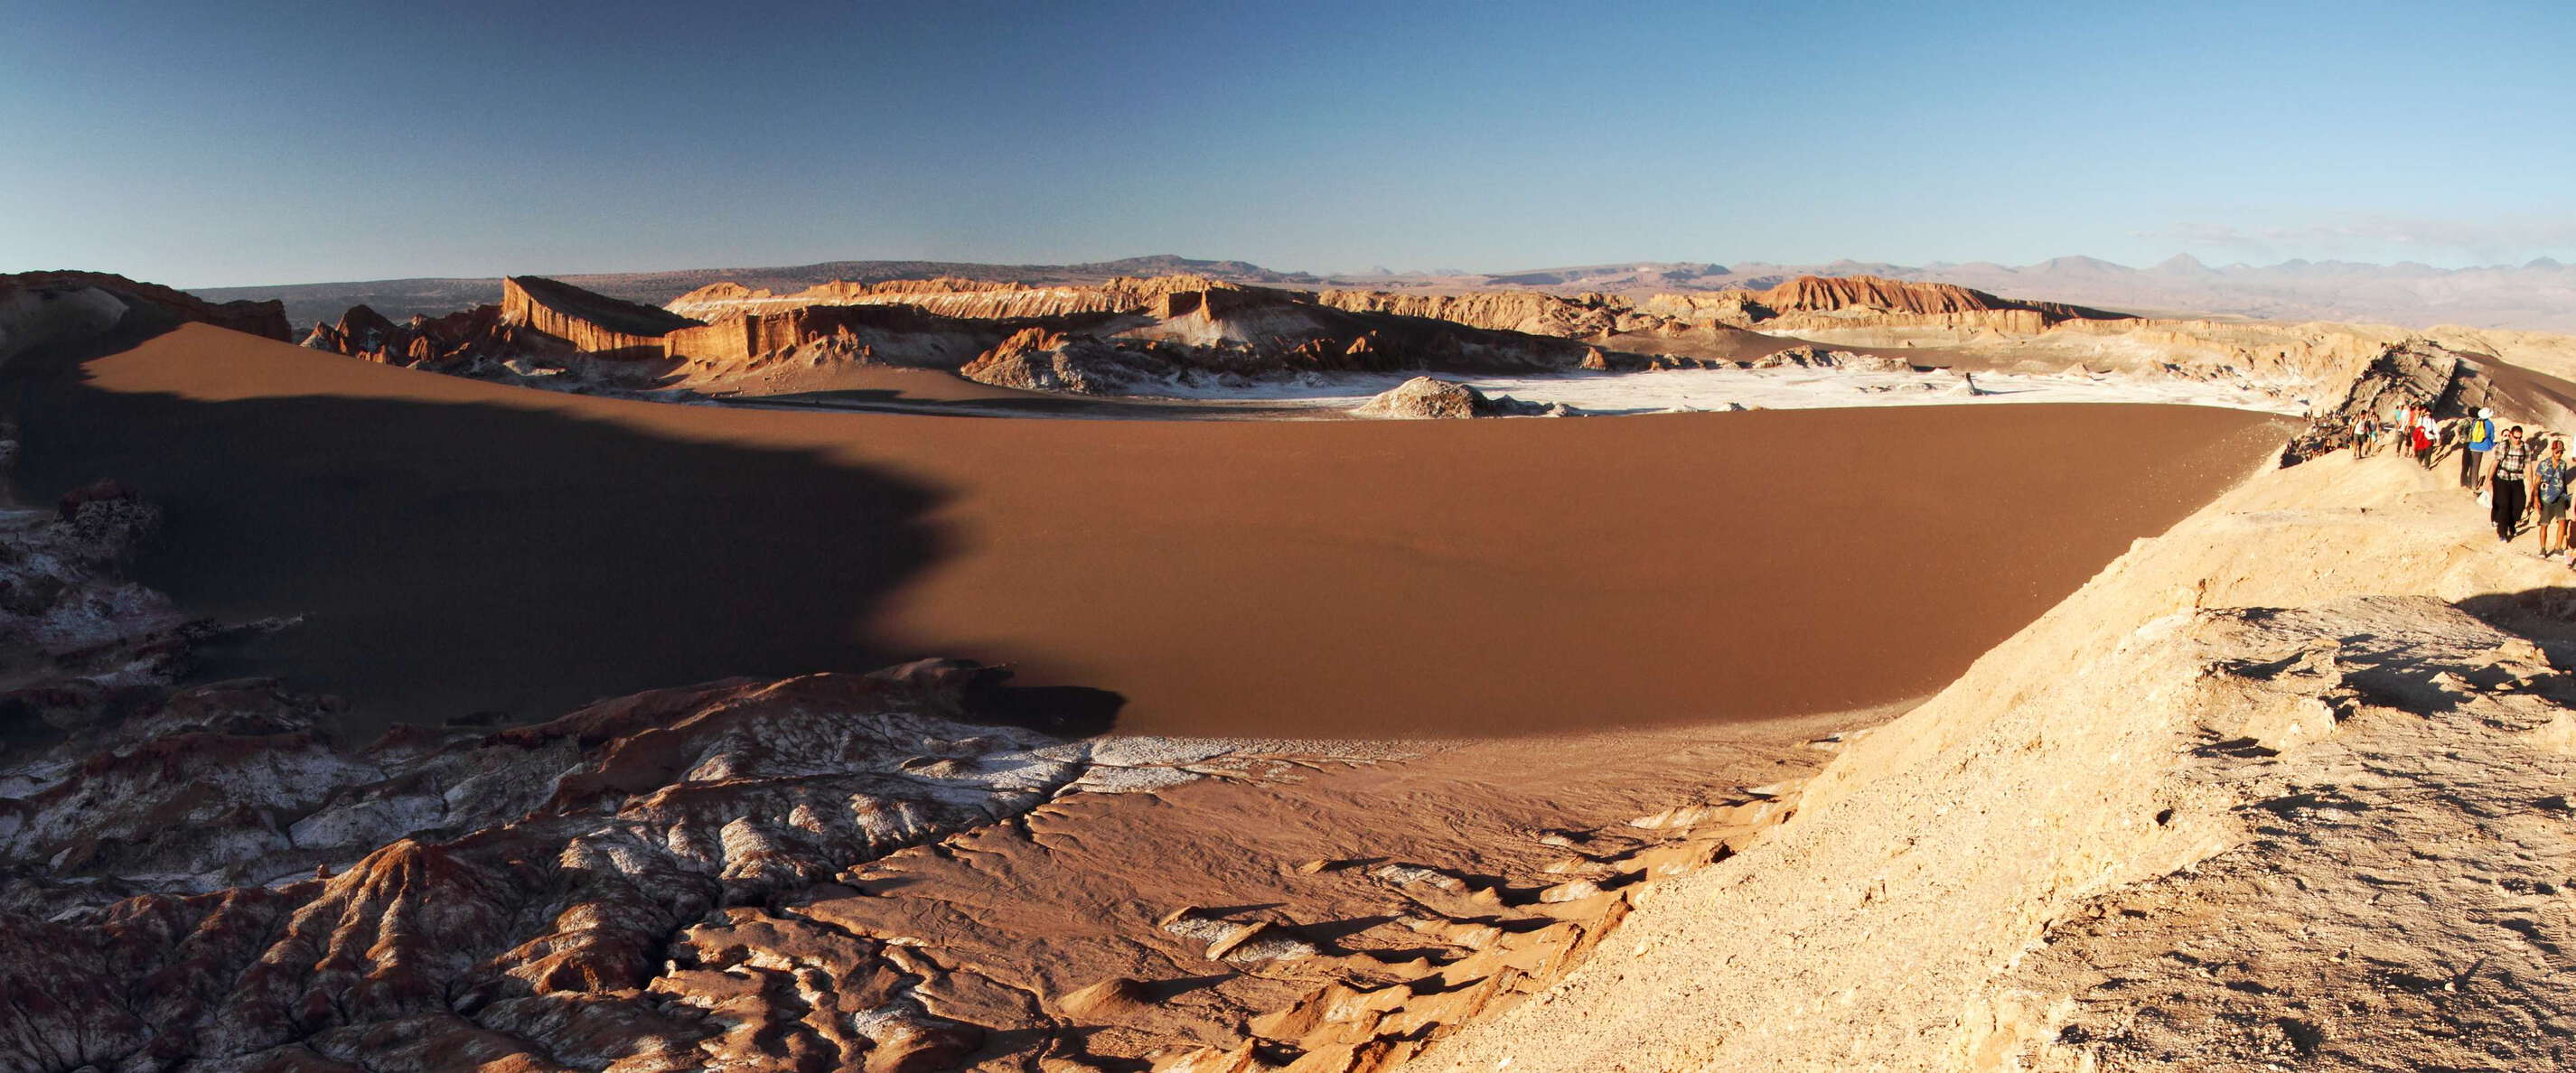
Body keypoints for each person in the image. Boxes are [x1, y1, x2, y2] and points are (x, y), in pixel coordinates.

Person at [2487, 425, 2533, 542]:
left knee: (2519, 505)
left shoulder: (2525, 448)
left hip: (2517, 478)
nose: (2517, 440)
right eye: (2515, 437)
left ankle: (2511, 524)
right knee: (2504, 505)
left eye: (2519, 438)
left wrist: (2530, 482)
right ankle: (2502, 532)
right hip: (2503, 478)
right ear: (2511, 435)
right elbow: (2495, 463)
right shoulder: (2503, 446)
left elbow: (2527, 465)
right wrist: (2489, 479)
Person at [2534, 437, 2572, 557]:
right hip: (2546, 498)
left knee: (2562, 522)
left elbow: (2563, 481)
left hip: (2560, 496)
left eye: (2561, 452)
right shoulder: (2544, 464)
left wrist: (2566, 498)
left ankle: (2558, 547)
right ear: (2552, 450)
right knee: (2544, 524)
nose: (2559, 454)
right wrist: (2535, 499)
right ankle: (2543, 549)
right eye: (2557, 452)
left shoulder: (2563, 464)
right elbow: (2537, 483)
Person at [2463, 407, 2498, 489]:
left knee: (2473, 466)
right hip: (2484, 446)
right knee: (2476, 467)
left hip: (2472, 445)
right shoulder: (2490, 424)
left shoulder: (2475, 422)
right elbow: (2492, 437)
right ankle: (2474, 485)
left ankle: (2470, 482)